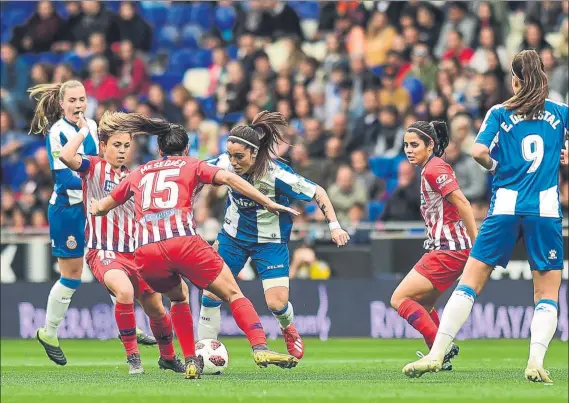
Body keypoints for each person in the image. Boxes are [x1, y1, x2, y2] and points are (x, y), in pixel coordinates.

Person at [89, 112, 301, 379]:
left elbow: (105, 205)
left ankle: (190, 360)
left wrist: (94, 207)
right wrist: (267, 202)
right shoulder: (192, 164)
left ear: (159, 148)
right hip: (183, 242)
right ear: (186, 148)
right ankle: (259, 346)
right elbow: (229, 179)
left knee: (179, 297)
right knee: (232, 293)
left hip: (146, 252)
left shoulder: (139, 172)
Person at [403, 50, 568, 384]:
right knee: (546, 293)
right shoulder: (560, 112)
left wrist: (496, 166)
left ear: (515, 80)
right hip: (545, 210)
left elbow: (477, 151)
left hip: (505, 207)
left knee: (471, 283)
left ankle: (436, 354)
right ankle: (535, 360)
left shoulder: (500, 111)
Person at [197, 111, 350, 360]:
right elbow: (196, 172)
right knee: (211, 294)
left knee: (277, 304)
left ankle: (288, 328)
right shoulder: (224, 163)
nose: (233, 162)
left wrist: (334, 225)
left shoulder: (276, 174)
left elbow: (318, 192)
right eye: (230, 155)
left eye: (239, 156)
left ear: (254, 154)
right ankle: (204, 353)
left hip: (270, 242)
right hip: (232, 238)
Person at [29, 81, 154, 366]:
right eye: (71, 100)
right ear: (61, 104)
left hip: (95, 206)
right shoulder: (58, 132)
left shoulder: (94, 126)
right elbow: (65, 177)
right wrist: (104, 186)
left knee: (112, 259)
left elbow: (103, 164)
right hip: (69, 209)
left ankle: (129, 324)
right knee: (72, 275)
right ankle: (48, 332)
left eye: (82, 99)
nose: (77, 105)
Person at [58, 111, 185, 375]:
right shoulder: (92, 166)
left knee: (158, 310)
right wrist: (84, 131)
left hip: (136, 253)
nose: (122, 151)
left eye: (126, 146)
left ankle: (168, 357)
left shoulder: (137, 175)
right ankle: (133, 358)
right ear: (103, 146)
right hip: (103, 250)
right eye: (116, 145)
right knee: (124, 292)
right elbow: (66, 156)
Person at [390, 120, 477, 371]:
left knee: (400, 298)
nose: (408, 149)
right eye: (406, 145)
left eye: (414, 145)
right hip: (449, 248)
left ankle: (440, 350)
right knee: (425, 305)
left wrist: (477, 241)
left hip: (449, 248)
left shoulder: (433, 168)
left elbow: (462, 201)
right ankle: (438, 354)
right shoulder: (432, 167)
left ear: (430, 145)